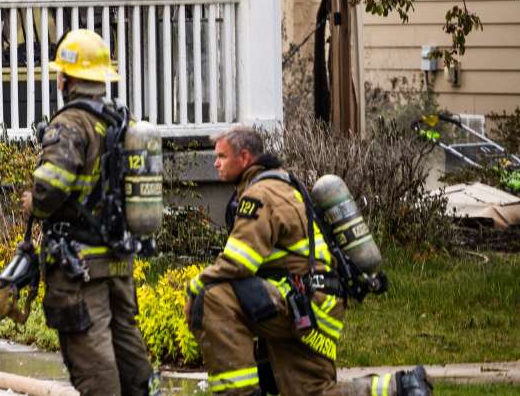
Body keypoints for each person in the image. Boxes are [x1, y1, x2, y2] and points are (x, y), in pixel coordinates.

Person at [185, 125, 433, 396]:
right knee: (313, 392)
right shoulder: (282, 183)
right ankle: (401, 387)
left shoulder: (260, 195)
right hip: (317, 304)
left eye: (221, 156)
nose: (215, 163)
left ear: (244, 158)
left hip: (304, 304)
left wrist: (194, 286)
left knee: (213, 297)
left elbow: (237, 262)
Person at [22, 28, 154, 396]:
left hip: (79, 261)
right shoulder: (118, 119)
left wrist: (34, 202)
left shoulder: (70, 123)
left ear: (66, 78)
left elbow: (50, 188)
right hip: (116, 254)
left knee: (90, 351)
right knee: (125, 339)